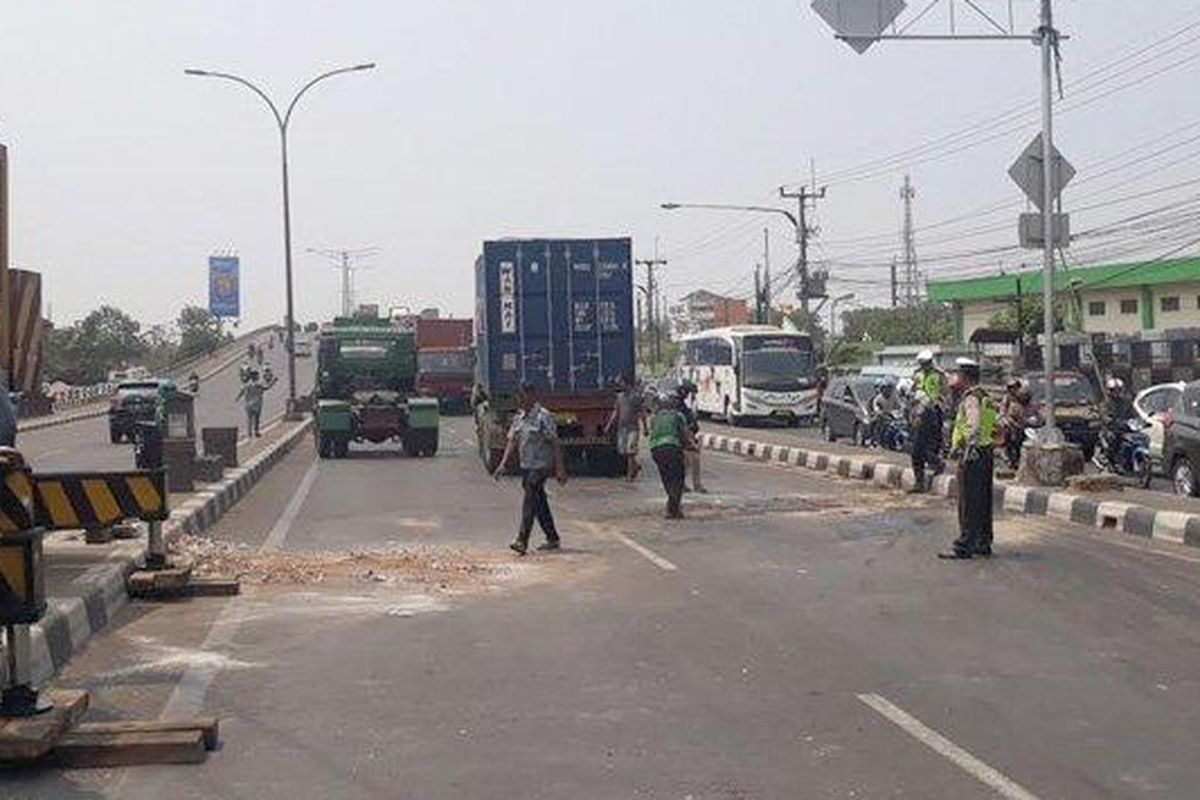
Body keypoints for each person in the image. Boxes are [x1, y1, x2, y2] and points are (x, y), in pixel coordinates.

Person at [493, 383, 566, 556]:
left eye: (522, 397)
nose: (520, 400)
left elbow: (555, 442)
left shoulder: (543, 417)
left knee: (530, 499)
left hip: (541, 466)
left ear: (532, 396)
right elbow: (512, 441)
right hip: (526, 466)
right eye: (518, 397)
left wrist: (560, 468)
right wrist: (503, 464)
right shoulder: (520, 418)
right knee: (539, 502)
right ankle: (552, 537)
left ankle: (521, 540)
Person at [940, 358, 999, 560]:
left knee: (968, 502)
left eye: (958, 375)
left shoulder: (971, 399)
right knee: (983, 500)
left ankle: (964, 545)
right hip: (986, 453)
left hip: (973, 454)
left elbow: (973, 424)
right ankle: (983, 542)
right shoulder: (986, 397)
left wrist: (968, 447)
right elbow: (996, 425)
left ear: (964, 377)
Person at [648, 393, 696, 519]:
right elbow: (684, 434)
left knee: (667, 477)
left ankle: (672, 507)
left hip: (656, 449)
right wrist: (692, 446)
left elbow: (653, 433)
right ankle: (674, 507)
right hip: (672, 447)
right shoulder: (678, 415)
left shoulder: (654, 417)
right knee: (678, 477)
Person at [908, 350, 948, 493]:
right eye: (922, 364)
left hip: (931, 413)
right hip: (919, 411)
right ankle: (920, 482)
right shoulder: (917, 374)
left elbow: (939, 395)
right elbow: (913, 392)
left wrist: (921, 411)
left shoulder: (938, 375)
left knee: (924, 448)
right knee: (917, 451)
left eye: (926, 363)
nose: (924, 366)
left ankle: (937, 464)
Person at [605, 374, 647, 482]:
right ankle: (636, 466)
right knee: (622, 452)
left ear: (627, 384)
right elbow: (616, 412)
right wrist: (609, 425)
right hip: (622, 428)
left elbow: (642, 412)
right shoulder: (619, 397)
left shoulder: (636, 397)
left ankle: (629, 476)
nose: (619, 385)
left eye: (621, 383)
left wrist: (645, 427)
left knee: (630, 452)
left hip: (633, 428)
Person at [676, 380, 707, 493]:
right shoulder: (679, 407)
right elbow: (684, 425)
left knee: (685, 464)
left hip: (684, 437)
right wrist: (691, 441)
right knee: (694, 461)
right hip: (684, 437)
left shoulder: (680, 405)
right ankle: (696, 485)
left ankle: (683, 485)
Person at [1100, 376, 1134, 466]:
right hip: (1112, 428)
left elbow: (1133, 413)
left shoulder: (1126, 402)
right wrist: (1109, 420)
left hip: (1125, 427)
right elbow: (1104, 415)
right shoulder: (1106, 403)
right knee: (1114, 439)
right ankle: (1111, 460)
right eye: (1114, 390)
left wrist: (1140, 420)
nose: (1117, 392)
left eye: (1119, 390)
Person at [236, 368, 268, 438]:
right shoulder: (259, 384)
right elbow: (266, 388)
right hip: (257, 404)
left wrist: (238, 398)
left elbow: (241, 392)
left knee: (249, 419)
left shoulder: (247, 385)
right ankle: (256, 432)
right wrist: (273, 381)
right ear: (256, 377)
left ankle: (249, 433)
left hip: (248, 404)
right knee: (256, 419)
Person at [870, 382, 899, 448]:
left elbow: (899, 405)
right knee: (878, 424)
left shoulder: (894, 397)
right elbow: (875, 407)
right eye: (888, 388)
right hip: (881, 416)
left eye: (891, 389)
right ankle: (875, 441)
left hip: (891, 416)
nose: (889, 390)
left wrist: (899, 410)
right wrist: (879, 412)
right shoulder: (878, 398)